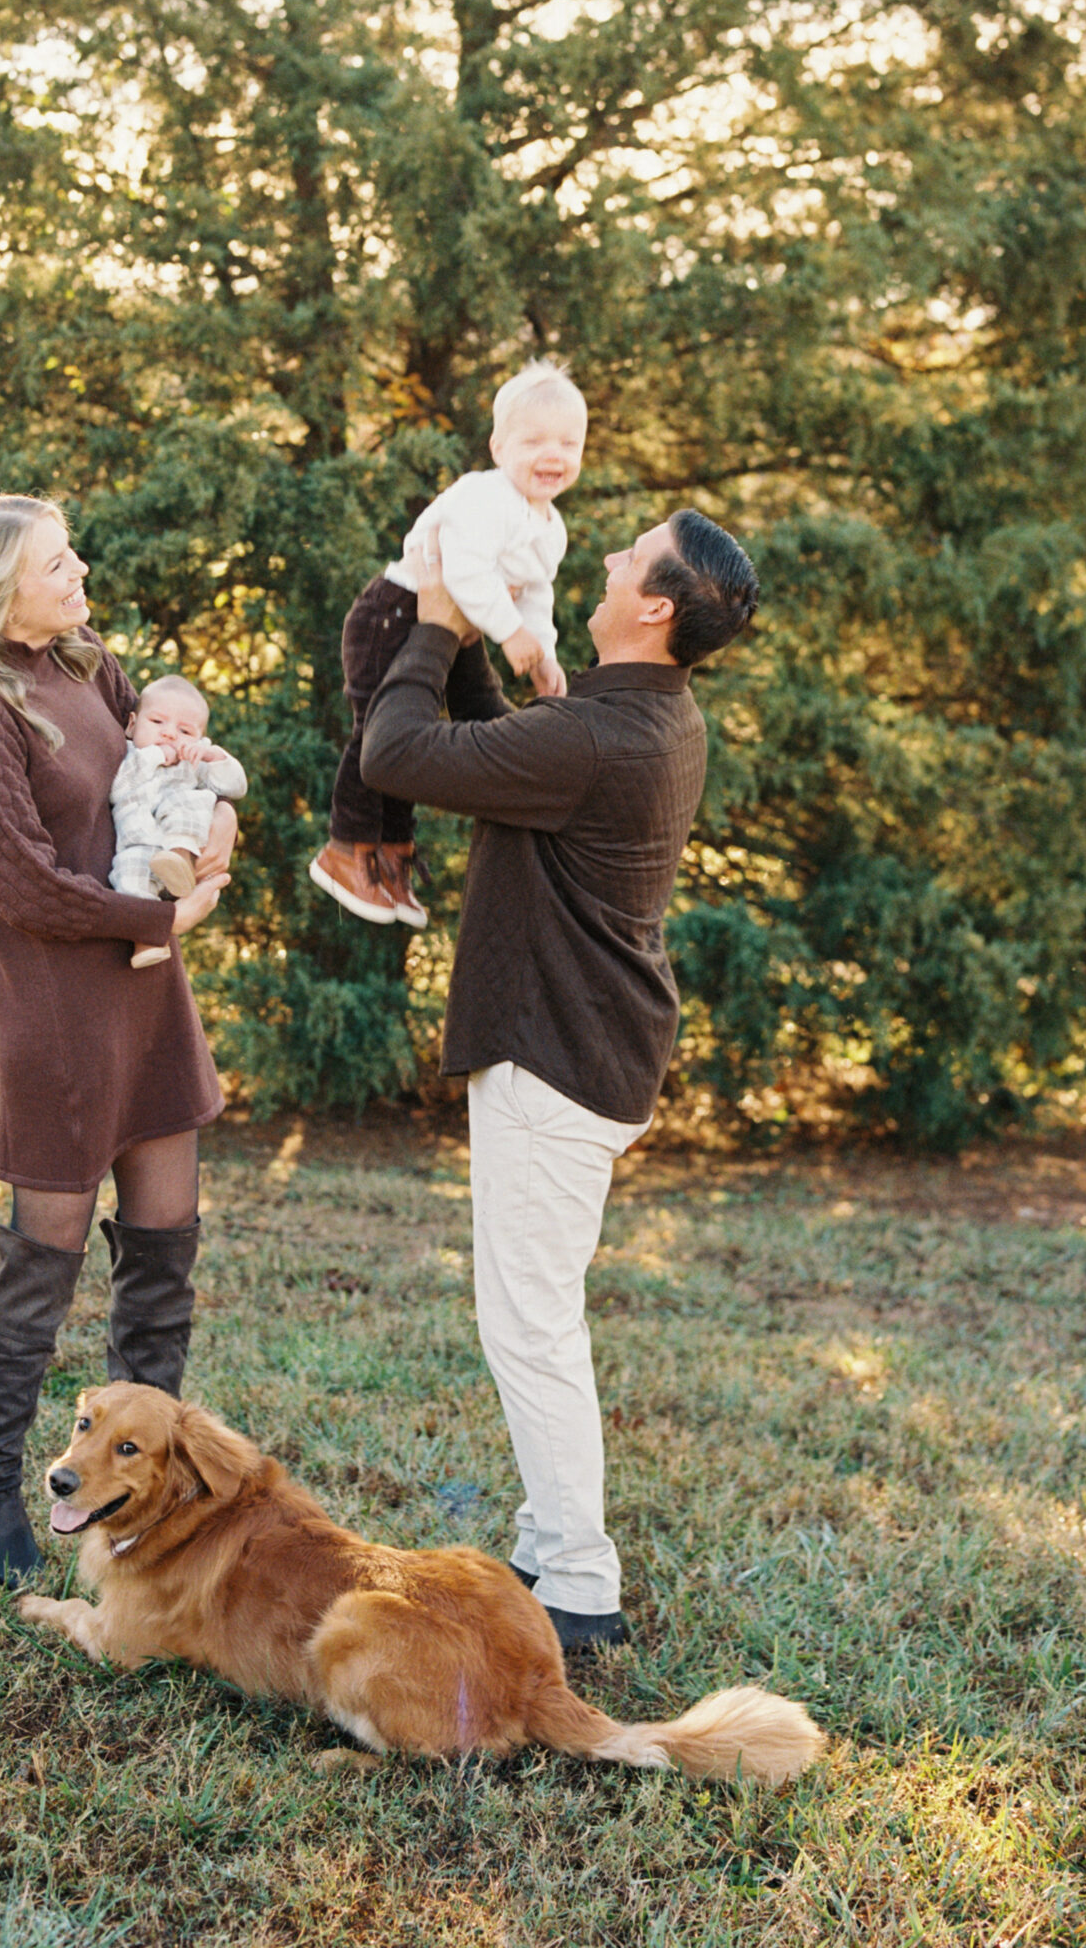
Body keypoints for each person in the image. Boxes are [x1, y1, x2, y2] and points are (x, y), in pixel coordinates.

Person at [360, 506, 760, 1651]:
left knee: (529, 1324)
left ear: (654, 606)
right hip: (591, 1045)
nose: (601, 562)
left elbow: (398, 754)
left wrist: (435, 626)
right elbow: (507, 760)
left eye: (627, 558)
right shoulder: (640, 714)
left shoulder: (598, 734)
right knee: (533, 1313)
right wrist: (487, 636)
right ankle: (544, 1544)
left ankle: (578, 1584)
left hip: (559, 1053)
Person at [0, 495, 230, 1585]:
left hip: (146, 993)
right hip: (59, 1011)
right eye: (57, 560)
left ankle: (145, 1498)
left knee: (162, 1256)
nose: (80, 568)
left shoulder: (84, 662)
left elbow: (170, 765)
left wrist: (215, 833)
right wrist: (161, 918)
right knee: (39, 1265)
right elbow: (24, 885)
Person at [310, 361, 587, 930]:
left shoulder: (550, 525)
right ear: (498, 445)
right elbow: (465, 572)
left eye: (568, 442)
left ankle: (393, 854)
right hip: (393, 613)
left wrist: (544, 652)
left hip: (453, 630)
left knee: (418, 741)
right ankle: (347, 847)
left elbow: (537, 593)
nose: (552, 454)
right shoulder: (483, 497)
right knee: (379, 730)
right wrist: (509, 634)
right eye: (533, 441)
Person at [110, 675, 247, 971]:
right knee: (127, 875)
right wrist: (157, 755)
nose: (170, 734)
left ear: (198, 738)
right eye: (158, 722)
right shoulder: (131, 756)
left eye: (184, 730)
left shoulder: (194, 761)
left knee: (189, 801)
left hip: (181, 838)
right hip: (140, 845)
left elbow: (235, 786)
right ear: (132, 725)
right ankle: (146, 942)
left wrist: (214, 756)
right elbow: (117, 790)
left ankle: (180, 860)